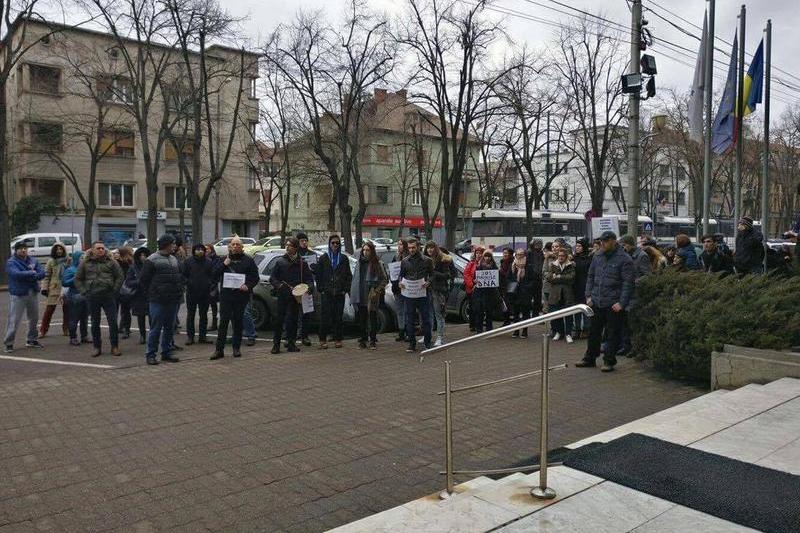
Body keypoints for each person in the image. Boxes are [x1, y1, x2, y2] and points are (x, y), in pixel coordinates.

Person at [576, 231, 634, 372]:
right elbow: (590, 277)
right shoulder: (598, 256)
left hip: (613, 303)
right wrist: (588, 296)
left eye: (606, 240)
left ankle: (609, 361)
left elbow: (628, 283)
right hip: (597, 301)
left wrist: (621, 303)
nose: (603, 243)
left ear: (614, 241)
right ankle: (590, 358)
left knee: (612, 333)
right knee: (594, 331)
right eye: (602, 240)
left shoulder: (624, 259)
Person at [210, 237, 259, 360]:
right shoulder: (223, 259)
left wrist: (248, 285)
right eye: (233, 244)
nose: (236, 246)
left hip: (241, 296)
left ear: (242, 247)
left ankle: (236, 348)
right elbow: (214, 275)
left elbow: (255, 277)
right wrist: (223, 265)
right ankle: (219, 350)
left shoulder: (248, 260)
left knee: (238, 323)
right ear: (230, 247)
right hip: (226, 296)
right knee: (224, 323)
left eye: (238, 244)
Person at [139, 235, 183, 365]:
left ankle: (166, 352)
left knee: (169, 328)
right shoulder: (152, 260)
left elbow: (178, 277)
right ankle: (150, 354)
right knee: (156, 328)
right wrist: (153, 293)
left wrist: (179, 290)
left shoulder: (174, 259)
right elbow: (143, 280)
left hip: (173, 299)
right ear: (166, 245)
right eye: (173, 244)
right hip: (157, 300)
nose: (175, 246)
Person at [74, 241, 124, 357]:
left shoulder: (111, 262)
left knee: (113, 322)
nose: (101, 250)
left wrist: (115, 290)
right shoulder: (85, 263)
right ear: (92, 250)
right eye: (98, 248)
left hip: (108, 296)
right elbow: (78, 279)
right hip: (92, 296)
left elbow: (120, 276)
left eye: (102, 248)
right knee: (95, 323)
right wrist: (84, 292)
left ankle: (114, 347)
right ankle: (97, 347)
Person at [269, 237, 313, 354]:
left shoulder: (302, 263)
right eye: (286, 245)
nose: (287, 247)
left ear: (295, 248)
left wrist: (309, 287)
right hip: (283, 295)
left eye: (290, 245)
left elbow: (309, 279)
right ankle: (276, 345)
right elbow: (272, 278)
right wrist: (279, 286)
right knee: (279, 321)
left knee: (292, 321)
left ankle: (291, 343)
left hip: (296, 297)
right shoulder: (280, 262)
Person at [3, 241, 46, 352]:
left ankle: (31, 340)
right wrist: (32, 273)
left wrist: (31, 274)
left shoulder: (33, 260)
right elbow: (16, 275)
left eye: (25, 248)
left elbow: (42, 273)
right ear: (16, 250)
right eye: (21, 248)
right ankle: (9, 343)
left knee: (34, 318)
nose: (23, 250)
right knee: (14, 320)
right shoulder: (11, 262)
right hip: (18, 294)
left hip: (32, 292)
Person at [316, 234, 352, 349]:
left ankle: (338, 339)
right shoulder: (324, 258)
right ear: (329, 244)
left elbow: (348, 276)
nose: (335, 245)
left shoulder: (343, 258)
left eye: (337, 243)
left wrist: (345, 289)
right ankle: (322, 339)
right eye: (333, 243)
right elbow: (318, 275)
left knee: (338, 317)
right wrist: (321, 289)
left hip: (339, 292)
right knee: (325, 317)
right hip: (327, 292)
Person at [351, 241, 388, 349]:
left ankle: (372, 340)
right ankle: (363, 339)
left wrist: (377, 290)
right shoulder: (359, 263)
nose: (365, 252)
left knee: (372, 318)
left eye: (368, 250)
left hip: (372, 294)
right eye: (364, 250)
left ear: (372, 251)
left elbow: (384, 279)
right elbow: (355, 278)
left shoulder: (377, 263)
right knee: (362, 318)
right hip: (361, 293)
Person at [618, 235, 651, 355]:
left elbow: (647, 275)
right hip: (625, 294)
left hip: (635, 294)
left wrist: (633, 282)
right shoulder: (626, 256)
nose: (623, 248)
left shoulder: (642, 256)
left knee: (633, 323)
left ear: (630, 244)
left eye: (624, 245)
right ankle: (626, 346)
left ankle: (635, 348)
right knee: (624, 323)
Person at [399, 238, 433, 352]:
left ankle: (428, 342)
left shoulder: (427, 260)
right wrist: (400, 283)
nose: (411, 250)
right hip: (409, 294)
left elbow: (432, 275)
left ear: (418, 247)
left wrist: (429, 282)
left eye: (413, 247)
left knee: (426, 318)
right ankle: (412, 343)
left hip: (423, 293)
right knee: (409, 319)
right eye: (409, 248)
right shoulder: (404, 261)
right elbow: (401, 275)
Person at [181, 244, 215, 345]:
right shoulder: (188, 261)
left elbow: (213, 276)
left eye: (202, 250)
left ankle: (203, 336)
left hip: (205, 293)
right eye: (197, 249)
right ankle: (190, 337)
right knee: (190, 315)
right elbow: (183, 275)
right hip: (192, 292)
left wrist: (209, 285)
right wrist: (188, 283)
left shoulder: (209, 262)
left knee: (203, 315)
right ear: (194, 251)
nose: (200, 251)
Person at [425, 241, 456, 347]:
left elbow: (447, 275)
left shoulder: (443, 260)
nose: (430, 250)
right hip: (427, 289)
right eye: (428, 247)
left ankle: (440, 337)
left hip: (439, 290)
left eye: (432, 247)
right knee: (428, 314)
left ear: (435, 248)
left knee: (439, 314)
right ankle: (427, 335)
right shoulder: (425, 259)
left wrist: (434, 274)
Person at [38, 243, 69, 338]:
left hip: (65, 288)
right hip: (54, 288)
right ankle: (43, 330)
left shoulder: (68, 260)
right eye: (57, 249)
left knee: (67, 310)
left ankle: (66, 329)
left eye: (61, 249)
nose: (59, 251)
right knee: (49, 310)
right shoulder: (51, 261)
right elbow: (46, 276)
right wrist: (44, 288)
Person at [547, 248, 576, 343]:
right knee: (556, 314)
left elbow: (571, 278)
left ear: (566, 256)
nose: (560, 257)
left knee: (568, 314)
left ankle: (568, 333)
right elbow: (549, 278)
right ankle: (559, 332)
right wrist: (562, 278)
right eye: (559, 256)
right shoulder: (553, 265)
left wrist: (558, 276)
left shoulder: (571, 265)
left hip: (567, 293)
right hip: (555, 294)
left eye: (563, 256)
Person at [62, 250, 89, 346]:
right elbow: (64, 282)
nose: (84, 259)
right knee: (74, 318)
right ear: (77, 258)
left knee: (84, 318)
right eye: (82, 257)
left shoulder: (86, 268)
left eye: (85, 257)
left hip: (86, 296)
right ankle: (73, 337)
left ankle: (84, 336)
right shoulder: (71, 269)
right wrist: (76, 277)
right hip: (74, 296)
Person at [125, 247, 151, 345]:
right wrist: (138, 281)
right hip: (138, 295)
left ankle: (152, 335)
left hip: (150, 294)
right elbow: (128, 281)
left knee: (152, 316)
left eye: (145, 255)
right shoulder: (133, 267)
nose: (143, 257)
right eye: (141, 255)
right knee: (141, 317)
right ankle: (142, 335)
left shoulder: (151, 266)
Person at [509, 249, 537, 338]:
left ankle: (525, 331)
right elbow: (508, 278)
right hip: (515, 293)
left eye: (521, 254)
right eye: (518, 254)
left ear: (524, 255)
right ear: (515, 255)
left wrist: (526, 287)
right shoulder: (513, 265)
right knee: (516, 313)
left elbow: (533, 280)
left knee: (526, 313)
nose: (519, 256)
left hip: (525, 293)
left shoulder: (529, 266)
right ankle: (516, 330)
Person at [295, 232, 316, 346]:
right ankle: (295, 333)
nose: (304, 242)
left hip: (307, 287)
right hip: (296, 287)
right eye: (302, 241)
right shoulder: (295, 255)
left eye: (305, 240)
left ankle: (305, 335)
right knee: (294, 312)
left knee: (306, 313)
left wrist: (314, 268)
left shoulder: (312, 254)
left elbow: (314, 273)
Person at [472, 250, 500, 333]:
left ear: (491, 258)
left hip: (490, 293)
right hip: (480, 292)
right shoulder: (479, 266)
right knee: (479, 311)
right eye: (485, 256)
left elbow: (497, 280)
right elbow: (474, 278)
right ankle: (479, 328)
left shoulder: (494, 267)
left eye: (489, 256)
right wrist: (475, 281)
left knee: (489, 311)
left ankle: (489, 328)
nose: (487, 258)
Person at [572, 238, 591, 338]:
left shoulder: (588, 258)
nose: (577, 248)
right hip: (575, 286)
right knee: (576, 308)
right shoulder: (573, 258)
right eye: (577, 246)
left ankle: (586, 329)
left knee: (585, 308)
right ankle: (577, 328)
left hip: (585, 285)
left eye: (579, 246)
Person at [390, 239, 409, 342]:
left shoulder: (408, 257)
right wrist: (394, 283)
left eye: (401, 244)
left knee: (407, 311)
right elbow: (392, 272)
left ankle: (407, 331)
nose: (399, 246)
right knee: (400, 311)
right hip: (397, 288)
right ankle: (401, 331)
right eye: (398, 244)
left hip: (407, 287)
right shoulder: (395, 257)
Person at [463, 246, 484, 332]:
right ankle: (472, 324)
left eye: (480, 253)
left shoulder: (484, 263)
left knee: (480, 308)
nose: (478, 255)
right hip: (472, 289)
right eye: (477, 253)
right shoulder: (471, 263)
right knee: (472, 307)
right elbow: (466, 274)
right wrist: (472, 284)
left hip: (482, 289)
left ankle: (479, 324)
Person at [115, 246, 134, 339]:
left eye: (118, 253)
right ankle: (124, 328)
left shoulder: (125, 263)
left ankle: (124, 328)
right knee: (125, 310)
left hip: (121, 289)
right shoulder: (129, 263)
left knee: (124, 310)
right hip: (124, 289)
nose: (116, 254)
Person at [526, 239, 545, 318]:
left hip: (538, 279)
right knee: (528, 299)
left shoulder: (541, 253)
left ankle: (535, 315)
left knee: (537, 299)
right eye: (537, 244)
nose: (539, 245)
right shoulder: (529, 252)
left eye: (540, 244)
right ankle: (527, 316)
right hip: (531, 279)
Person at [205, 244, 220, 331]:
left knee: (213, 305)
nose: (206, 250)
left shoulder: (216, 259)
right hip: (204, 286)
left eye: (207, 249)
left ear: (212, 250)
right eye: (205, 249)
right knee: (205, 306)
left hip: (213, 285)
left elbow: (215, 271)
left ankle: (214, 323)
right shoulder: (202, 259)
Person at [498, 248, 513, 326]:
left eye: (506, 253)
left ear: (510, 254)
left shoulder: (513, 262)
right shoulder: (502, 262)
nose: (505, 254)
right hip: (502, 286)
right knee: (504, 304)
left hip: (510, 286)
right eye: (504, 253)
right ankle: (506, 320)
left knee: (509, 303)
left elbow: (509, 274)